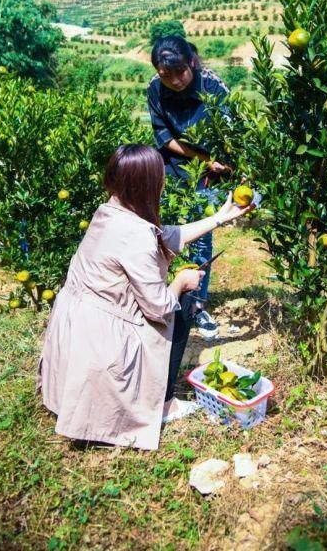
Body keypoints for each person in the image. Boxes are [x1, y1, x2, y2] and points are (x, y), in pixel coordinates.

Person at [37, 144, 251, 450]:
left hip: (78, 329)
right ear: (148, 185)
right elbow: (158, 307)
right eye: (160, 178)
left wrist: (220, 217)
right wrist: (180, 282)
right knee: (184, 305)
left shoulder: (110, 211)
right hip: (102, 342)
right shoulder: (135, 235)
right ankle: (163, 403)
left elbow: (165, 235)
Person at [147, 35, 231, 339]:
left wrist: (222, 162)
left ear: (191, 63)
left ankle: (196, 306)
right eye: (165, 75)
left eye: (180, 72)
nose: (175, 81)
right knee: (163, 232)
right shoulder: (155, 90)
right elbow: (164, 137)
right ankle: (159, 296)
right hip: (172, 168)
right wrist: (202, 157)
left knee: (200, 235)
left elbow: (231, 130)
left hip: (207, 176)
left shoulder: (212, 85)